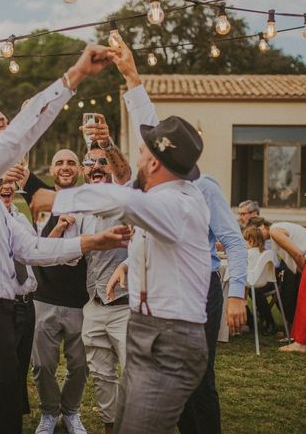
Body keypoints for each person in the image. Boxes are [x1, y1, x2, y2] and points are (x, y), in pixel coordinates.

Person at [0, 44, 131, 434]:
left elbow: (30, 249)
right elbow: (16, 142)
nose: (10, 131)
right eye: (1, 124)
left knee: (2, 420)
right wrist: (73, 76)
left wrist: (93, 243)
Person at [108, 38, 248, 434]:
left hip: (199, 291)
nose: (144, 154)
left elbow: (234, 242)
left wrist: (236, 293)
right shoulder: (153, 188)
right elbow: (149, 132)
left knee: (197, 385)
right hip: (156, 301)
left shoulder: (205, 190)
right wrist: (132, 77)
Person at [47, 108, 211, 434]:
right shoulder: (163, 196)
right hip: (146, 330)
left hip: (169, 341)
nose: (136, 158)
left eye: (140, 153)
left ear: (154, 164)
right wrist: (126, 265)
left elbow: (122, 201)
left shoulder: (178, 203)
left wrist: (52, 199)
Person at [18, 148, 91, 434]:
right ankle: (49, 412)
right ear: (50, 170)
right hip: (44, 297)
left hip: (81, 301)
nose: (65, 166)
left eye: (71, 162)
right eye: (59, 162)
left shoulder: (91, 202)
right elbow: (16, 163)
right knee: (43, 365)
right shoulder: (40, 197)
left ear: (80, 170)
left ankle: (71, 411)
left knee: (80, 366)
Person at [78, 131, 132, 434]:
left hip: (126, 306)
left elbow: (124, 174)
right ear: (84, 171)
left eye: (103, 162)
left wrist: (108, 145)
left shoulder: (125, 198)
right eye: (90, 163)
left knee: (134, 373)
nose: (96, 166)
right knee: (100, 374)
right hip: (94, 306)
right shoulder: (80, 208)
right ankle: (111, 425)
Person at [253, 218, 306, 353]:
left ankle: (300, 344)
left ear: (263, 226)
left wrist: (304, 272)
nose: (256, 236)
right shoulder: (278, 228)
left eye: (256, 231)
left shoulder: (275, 231)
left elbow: (297, 254)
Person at [0, 176, 39, 418]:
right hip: (4, 306)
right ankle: (2, 416)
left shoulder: (21, 219)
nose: (8, 186)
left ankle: (14, 414)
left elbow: (35, 250)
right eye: (2, 180)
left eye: (11, 181)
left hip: (26, 303)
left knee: (21, 363)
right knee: (5, 366)